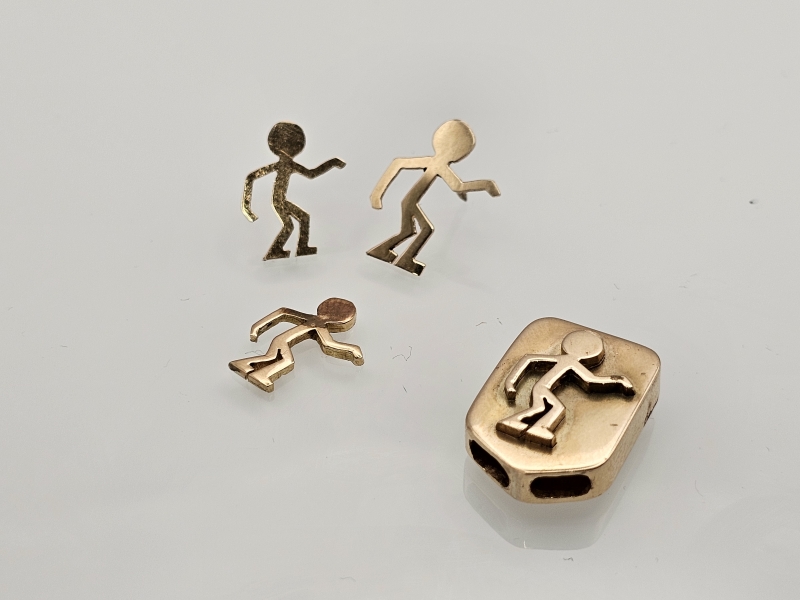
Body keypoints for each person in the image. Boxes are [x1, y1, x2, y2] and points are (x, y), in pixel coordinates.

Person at [366, 120, 500, 275]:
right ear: (460, 152)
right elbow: (458, 186)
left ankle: (382, 251)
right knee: (426, 229)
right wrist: (486, 185)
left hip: (409, 201)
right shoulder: (440, 166)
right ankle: (405, 260)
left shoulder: (432, 162)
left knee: (407, 230)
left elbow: (398, 163)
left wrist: (377, 194)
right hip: (410, 202)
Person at [497, 330, 635, 447]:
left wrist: (511, 382)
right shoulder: (572, 363)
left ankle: (516, 424)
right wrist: (618, 380)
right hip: (543, 388)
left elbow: (528, 359)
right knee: (555, 408)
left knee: (540, 408)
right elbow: (592, 380)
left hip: (541, 388)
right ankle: (536, 428)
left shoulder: (561, 359)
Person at [241, 122, 345, 260]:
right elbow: (311, 174)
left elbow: (311, 174)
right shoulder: (286, 164)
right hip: (279, 201)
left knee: (302, 219)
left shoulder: (286, 164)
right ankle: (277, 251)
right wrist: (246, 208)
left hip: (280, 201)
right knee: (289, 226)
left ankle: (300, 248)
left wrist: (332, 163)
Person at [229, 298, 364, 392]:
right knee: (286, 360)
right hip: (282, 341)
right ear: (338, 321)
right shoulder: (318, 325)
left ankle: (245, 366)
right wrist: (353, 350)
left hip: (280, 340)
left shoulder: (312, 320)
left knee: (272, 358)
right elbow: (329, 344)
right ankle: (258, 373)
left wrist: (256, 328)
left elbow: (282, 312)